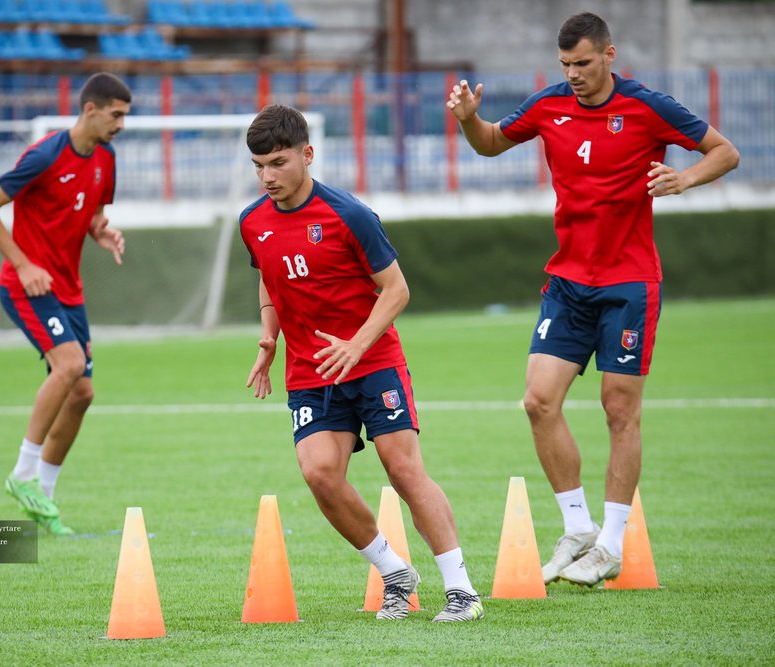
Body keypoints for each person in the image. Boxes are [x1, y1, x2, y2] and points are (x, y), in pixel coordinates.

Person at [446, 12, 739, 586]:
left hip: (629, 282)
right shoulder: (547, 105)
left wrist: (685, 178)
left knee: (619, 410)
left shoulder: (648, 106)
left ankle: (610, 543)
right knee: (537, 401)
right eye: (565, 66)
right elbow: (488, 146)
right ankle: (577, 527)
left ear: (609, 55)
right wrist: (468, 120)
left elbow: (724, 152)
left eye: (583, 63)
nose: (574, 74)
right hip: (568, 281)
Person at [240, 104, 484, 622]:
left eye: (278, 163)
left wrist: (356, 345)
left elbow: (396, 290)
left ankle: (461, 590)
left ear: (307, 155)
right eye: (258, 165)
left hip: (374, 363)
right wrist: (269, 335)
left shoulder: (349, 214)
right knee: (319, 474)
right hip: (311, 371)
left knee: (404, 470)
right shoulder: (253, 222)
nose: (267, 177)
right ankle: (396, 574)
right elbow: (268, 273)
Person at [0, 73, 131, 535]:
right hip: (28, 287)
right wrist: (23, 264)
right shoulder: (44, 155)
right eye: (116, 114)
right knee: (68, 366)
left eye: (125, 115)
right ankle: (21, 473)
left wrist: (102, 232)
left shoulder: (106, 157)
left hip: (68, 289)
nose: (121, 123)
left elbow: (93, 216)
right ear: (90, 110)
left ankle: (42, 494)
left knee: (82, 393)